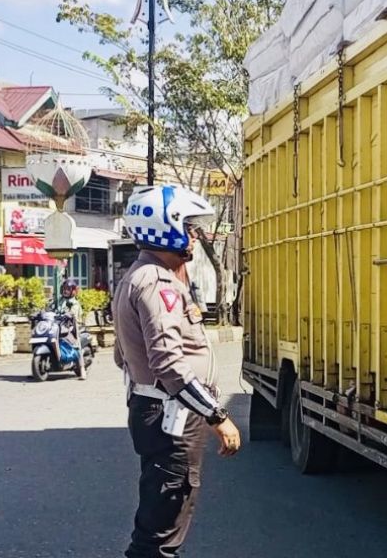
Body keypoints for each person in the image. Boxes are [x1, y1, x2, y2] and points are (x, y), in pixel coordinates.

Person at [113, 184, 242, 558]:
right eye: (186, 227)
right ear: (163, 227)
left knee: (163, 517)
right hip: (173, 418)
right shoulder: (156, 282)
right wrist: (217, 416)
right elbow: (169, 363)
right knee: (161, 531)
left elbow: (123, 356)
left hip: (159, 411)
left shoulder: (141, 276)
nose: (192, 235)